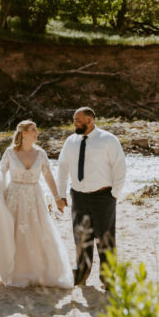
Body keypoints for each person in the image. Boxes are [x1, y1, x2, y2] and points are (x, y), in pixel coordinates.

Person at [0, 119, 73, 288]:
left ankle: (41, 272)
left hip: (35, 198)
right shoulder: (10, 153)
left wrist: (57, 198)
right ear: (24, 133)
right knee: (15, 234)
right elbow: (1, 174)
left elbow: (48, 177)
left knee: (39, 232)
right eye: (33, 130)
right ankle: (17, 272)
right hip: (14, 197)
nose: (37, 133)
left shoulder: (40, 153)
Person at [56, 107, 126, 287]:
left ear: (90, 120)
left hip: (103, 196)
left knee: (105, 238)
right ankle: (81, 273)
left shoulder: (108, 140)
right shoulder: (70, 141)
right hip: (78, 196)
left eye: (78, 120)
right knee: (81, 237)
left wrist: (114, 194)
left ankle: (108, 278)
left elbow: (119, 167)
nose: (75, 123)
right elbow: (62, 167)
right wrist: (61, 194)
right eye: (74, 119)